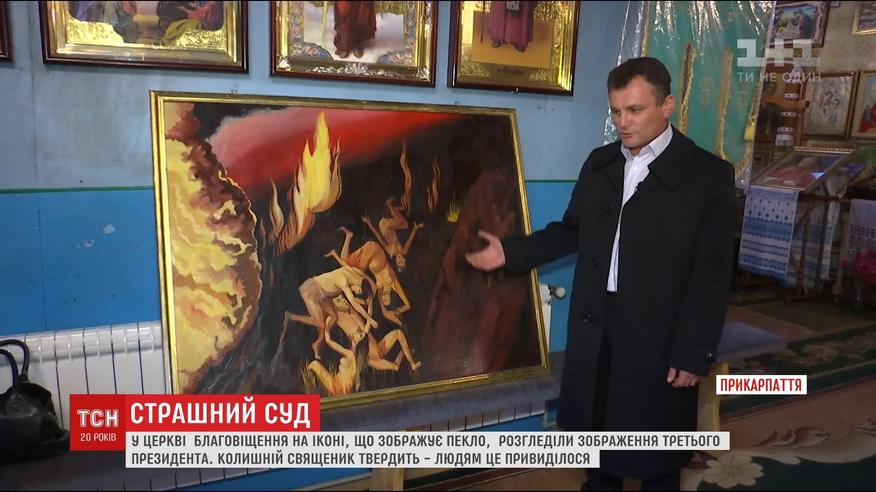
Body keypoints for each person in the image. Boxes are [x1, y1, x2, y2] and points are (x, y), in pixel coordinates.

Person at [466, 57, 735, 490]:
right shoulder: (600, 163)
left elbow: (711, 276)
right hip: (596, 323)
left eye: (635, 110)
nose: (623, 122)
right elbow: (572, 230)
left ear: (666, 106)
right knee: (597, 436)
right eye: (616, 110)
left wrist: (694, 351)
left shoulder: (707, 175)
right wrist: (511, 252)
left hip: (659, 333)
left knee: (656, 449)